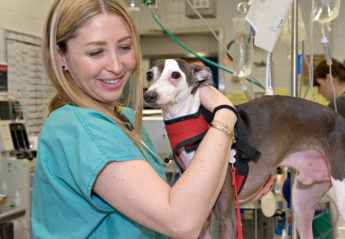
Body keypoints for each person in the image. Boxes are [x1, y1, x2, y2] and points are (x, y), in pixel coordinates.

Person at [31, 0, 237, 238]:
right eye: (96, 52)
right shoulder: (80, 127)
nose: (117, 66)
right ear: (61, 56)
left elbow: (165, 208)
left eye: (125, 47)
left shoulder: (123, 117)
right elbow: (181, 221)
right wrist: (224, 114)